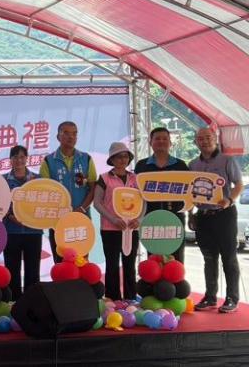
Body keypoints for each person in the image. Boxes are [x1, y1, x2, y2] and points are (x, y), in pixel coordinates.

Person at [189, 128, 243, 313]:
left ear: (215, 139)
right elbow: (189, 192)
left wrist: (229, 200)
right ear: (196, 142)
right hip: (202, 216)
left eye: (208, 137)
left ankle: (232, 298)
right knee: (209, 258)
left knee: (229, 257)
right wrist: (191, 214)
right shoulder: (193, 164)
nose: (204, 141)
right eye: (200, 138)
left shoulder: (227, 160)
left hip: (224, 214)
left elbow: (239, 184)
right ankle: (210, 297)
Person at [39, 121, 96, 263]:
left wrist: (82, 208)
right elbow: (44, 191)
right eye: (66, 133)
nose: (71, 137)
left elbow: (93, 188)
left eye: (74, 133)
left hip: (81, 218)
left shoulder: (86, 159)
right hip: (58, 221)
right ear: (58, 137)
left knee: (82, 262)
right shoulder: (48, 161)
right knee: (61, 263)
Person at [133, 127, 189, 263]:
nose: (161, 141)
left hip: (175, 218)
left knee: (176, 259)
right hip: (150, 218)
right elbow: (135, 193)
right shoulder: (142, 165)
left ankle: (176, 277)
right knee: (154, 258)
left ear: (170, 142)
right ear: (150, 142)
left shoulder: (181, 165)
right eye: (157, 139)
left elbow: (189, 192)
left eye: (165, 138)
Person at [94, 142, 139, 301]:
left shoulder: (135, 178)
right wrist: (112, 219)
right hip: (110, 228)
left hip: (131, 228)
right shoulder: (104, 178)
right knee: (112, 264)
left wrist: (139, 219)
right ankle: (113, 299)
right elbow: (97, 203)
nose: (122, 159)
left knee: (130, 264)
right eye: (118, 157)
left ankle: (130, 298)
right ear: (112, 159)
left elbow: (144, 201)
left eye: (125, 156)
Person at [2, 145, 41, 301]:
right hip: (10, 230)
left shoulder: (37, 179)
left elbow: (43, 203)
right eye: (15, 157)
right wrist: (11, 216)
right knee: (12, 269)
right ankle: (13, 302)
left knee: (33, 269)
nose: (19, 160)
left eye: (22, 157)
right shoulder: (3, 180)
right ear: (10, 160)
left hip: (33, 231)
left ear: (27, 158)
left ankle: (33, 302)